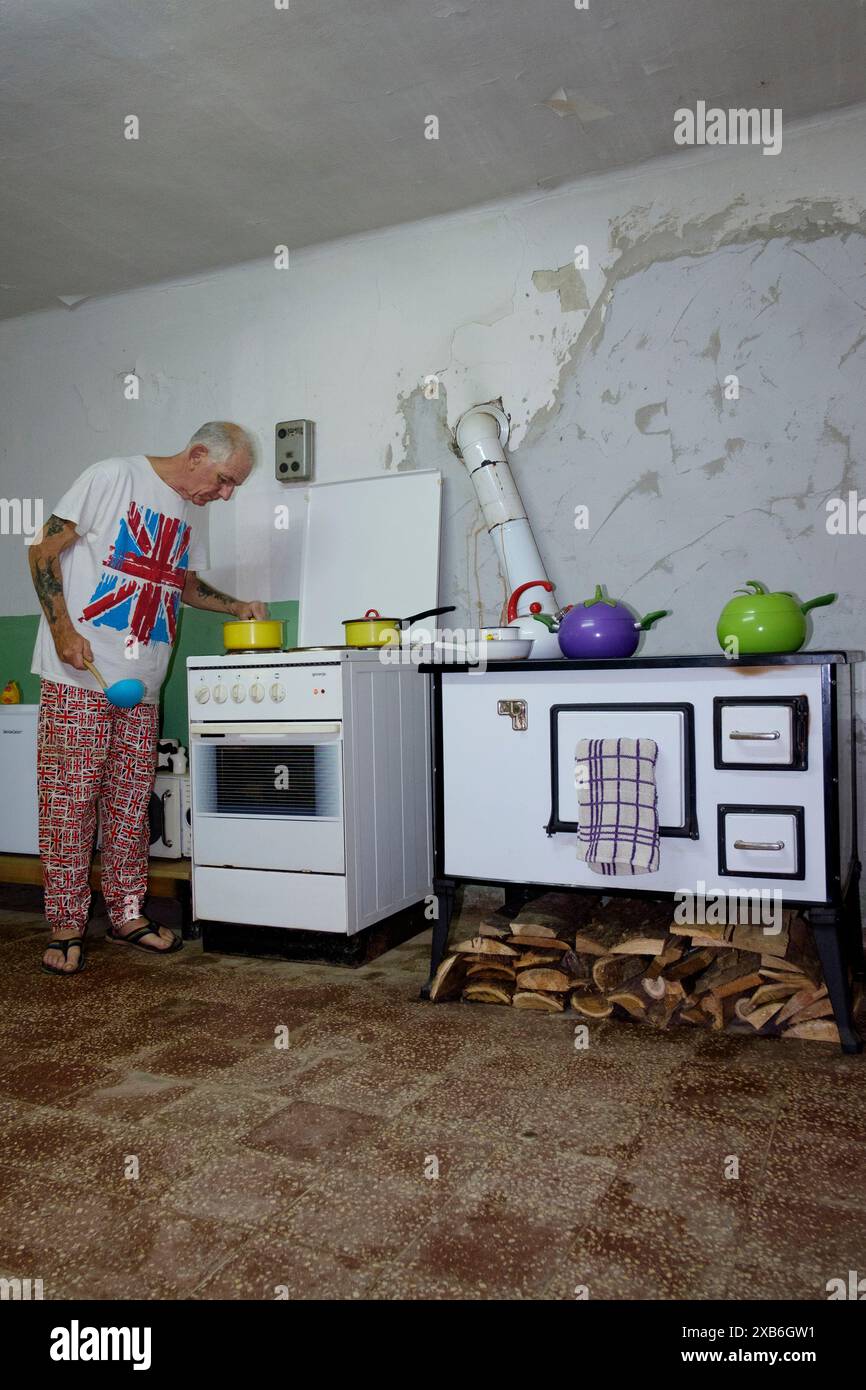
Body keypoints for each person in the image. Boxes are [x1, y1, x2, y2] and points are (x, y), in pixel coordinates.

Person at [28, 422, 267, 975]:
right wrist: (62, 627)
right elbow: (43, 551)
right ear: (200, 454)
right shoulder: (113, 475)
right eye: (226, 481)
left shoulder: (189, 509)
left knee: (131, 806)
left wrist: (234, 606)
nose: (226, 494)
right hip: (80, 676)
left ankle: (128, 914)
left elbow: (179, 583)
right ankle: (65, 925)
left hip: (144, 682)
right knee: (70, 804)